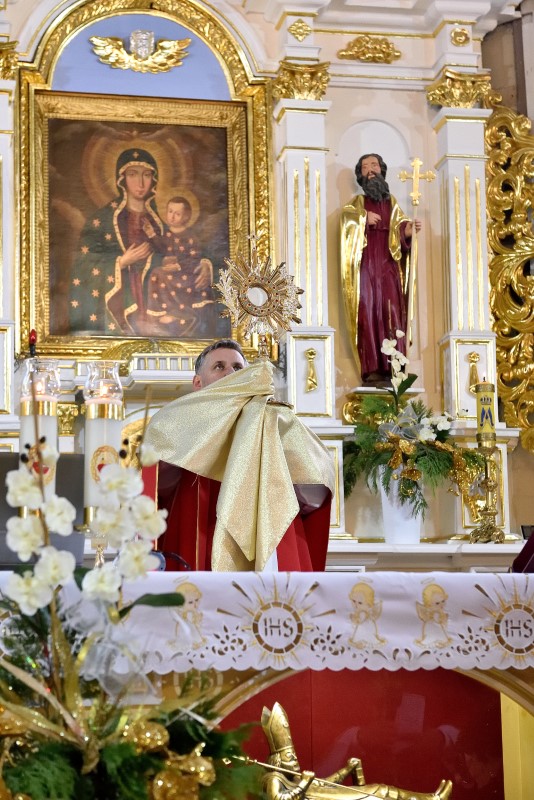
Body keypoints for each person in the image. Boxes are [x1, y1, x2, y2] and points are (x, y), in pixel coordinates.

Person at [144, 339, 335, 571]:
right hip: (197, 523)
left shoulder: (271, 418)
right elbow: (155, 486)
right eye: (219, 366)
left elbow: (315, 475)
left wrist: (279, 424)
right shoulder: (175, 421)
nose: (230, 373)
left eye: (237, 368)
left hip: (266, 526)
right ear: (198, 383)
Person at [340, 154, 421, 385]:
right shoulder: (357, 203)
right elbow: (347, 222)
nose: (370, 170)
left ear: (381, 170)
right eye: (365, 167)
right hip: (366, 266)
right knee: (368, 310)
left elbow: (400, 227)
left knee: (392, 310)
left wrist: (407, 231)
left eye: (373, 165)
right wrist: (363, 218)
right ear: (360, 175)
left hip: (388, 265)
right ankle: (373, 367)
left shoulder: (391, 202)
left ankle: (395, 365)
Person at [261, 703, 453, 800]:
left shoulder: (291, 778)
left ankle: (431, 798)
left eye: (293, 756)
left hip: (337, 794)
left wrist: (347, 769)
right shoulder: (274, 779)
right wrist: (304, 783)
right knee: (381, 791)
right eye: (290, 756)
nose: (294, 760)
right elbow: (279, 799)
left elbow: (325, 783)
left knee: (381, 789)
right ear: (278, 760)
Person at [69, 148, 164, 335]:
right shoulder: (102, 220)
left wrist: (203, 263)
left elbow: (177, 251)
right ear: (122, 179)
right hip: (121, 295)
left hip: (150, 296)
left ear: (154, 179)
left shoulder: (158, 221)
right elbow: (83, 264)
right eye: (132, 174)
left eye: (146, 175)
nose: (140, 183)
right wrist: (120, 262)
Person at [144, 196, 215, 336]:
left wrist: (179, 266)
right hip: (171, 272)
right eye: (170, 211)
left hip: (186, 273)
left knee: (163, 275)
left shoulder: (190, 237)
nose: (172, 216)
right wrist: (151, 234)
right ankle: (161, 312)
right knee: (156, 273)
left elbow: (195, 258)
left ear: (186, 217)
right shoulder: (167, 234)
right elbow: (161, 248)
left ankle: (177, 313)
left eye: (177, 214)